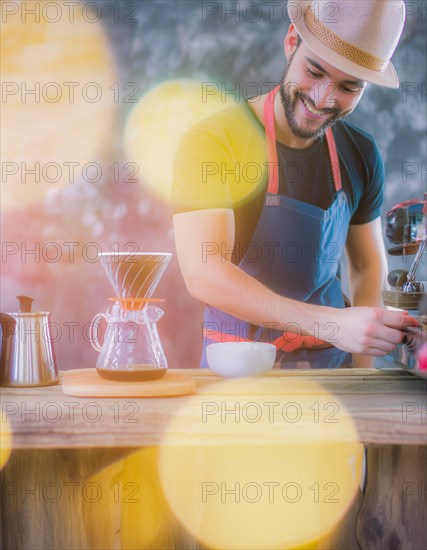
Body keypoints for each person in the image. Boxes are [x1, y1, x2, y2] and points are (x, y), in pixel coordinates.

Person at [172, 0, 418, 369]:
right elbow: (204, 273)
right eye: (314, 71)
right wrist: (330, 323)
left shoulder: (360, 152)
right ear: (291, 42)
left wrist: (362, 373)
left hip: (333, 373)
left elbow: (368, 266)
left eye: (349, 87)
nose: (323, 99)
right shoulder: (214, 141)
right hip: (240, 375)